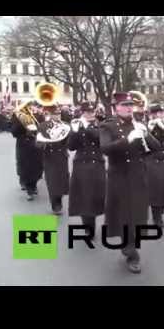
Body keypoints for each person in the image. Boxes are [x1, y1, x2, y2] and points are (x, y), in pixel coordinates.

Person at [99, 92, 162, 274]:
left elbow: (156, 147)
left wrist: (145, 134)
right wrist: (128, 139)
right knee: (124, 214)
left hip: (138, 174)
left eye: (130, 105)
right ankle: (131, 252)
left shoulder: (138, 124)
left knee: (137, 214)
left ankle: (131, 244)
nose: (128, 108)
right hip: (119, 175)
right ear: (116, 108)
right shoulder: (107, 126)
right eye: (124, 105)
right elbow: (106, 148)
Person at [67, 101, 106, 239]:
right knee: (84, 196)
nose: (90, 114)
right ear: (82, 113)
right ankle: (87, 225)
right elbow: (71, 146)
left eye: (91, 111)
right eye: (87, 112)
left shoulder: (100, 124)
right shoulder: (77, 126)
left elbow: (101, 139)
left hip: (97, 164)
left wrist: (87, 126)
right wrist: (75, 132)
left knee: (96, 196)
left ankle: (93, 220)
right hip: (81, 164)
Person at [36, 105, 70, 214]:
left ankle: (58, 199)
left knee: (62, 180)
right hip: (49, 157)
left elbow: (70, 143)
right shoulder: (43, 126)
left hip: (61, 156)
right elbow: (37, 142)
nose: (57, 116)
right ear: (50, 115)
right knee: (51, 181)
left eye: (59, 113)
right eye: (55, 114)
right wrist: (43, 143)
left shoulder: (65, 126)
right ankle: (55, 204)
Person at [146, 103, 164, 227]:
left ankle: (160, 210)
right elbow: (145, 143)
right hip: (152, 160)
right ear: (152, 114)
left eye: (162, 112)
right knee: (156, 190)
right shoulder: (146, 126)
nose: (161, 115)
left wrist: (163, 127)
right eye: (158, 113)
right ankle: (156, 217)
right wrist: (151, 129)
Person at [10, 101, 43, 201]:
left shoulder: (37, 116)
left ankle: (34, 184)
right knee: (26, 167)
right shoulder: (17, 117)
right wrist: (22, 127)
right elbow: (14, 132)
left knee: (37, 166)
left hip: (36, 144)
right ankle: (30, 189)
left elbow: (42, 128)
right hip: (23, 144)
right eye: (27, 106)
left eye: (30, 106)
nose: (29, 108)